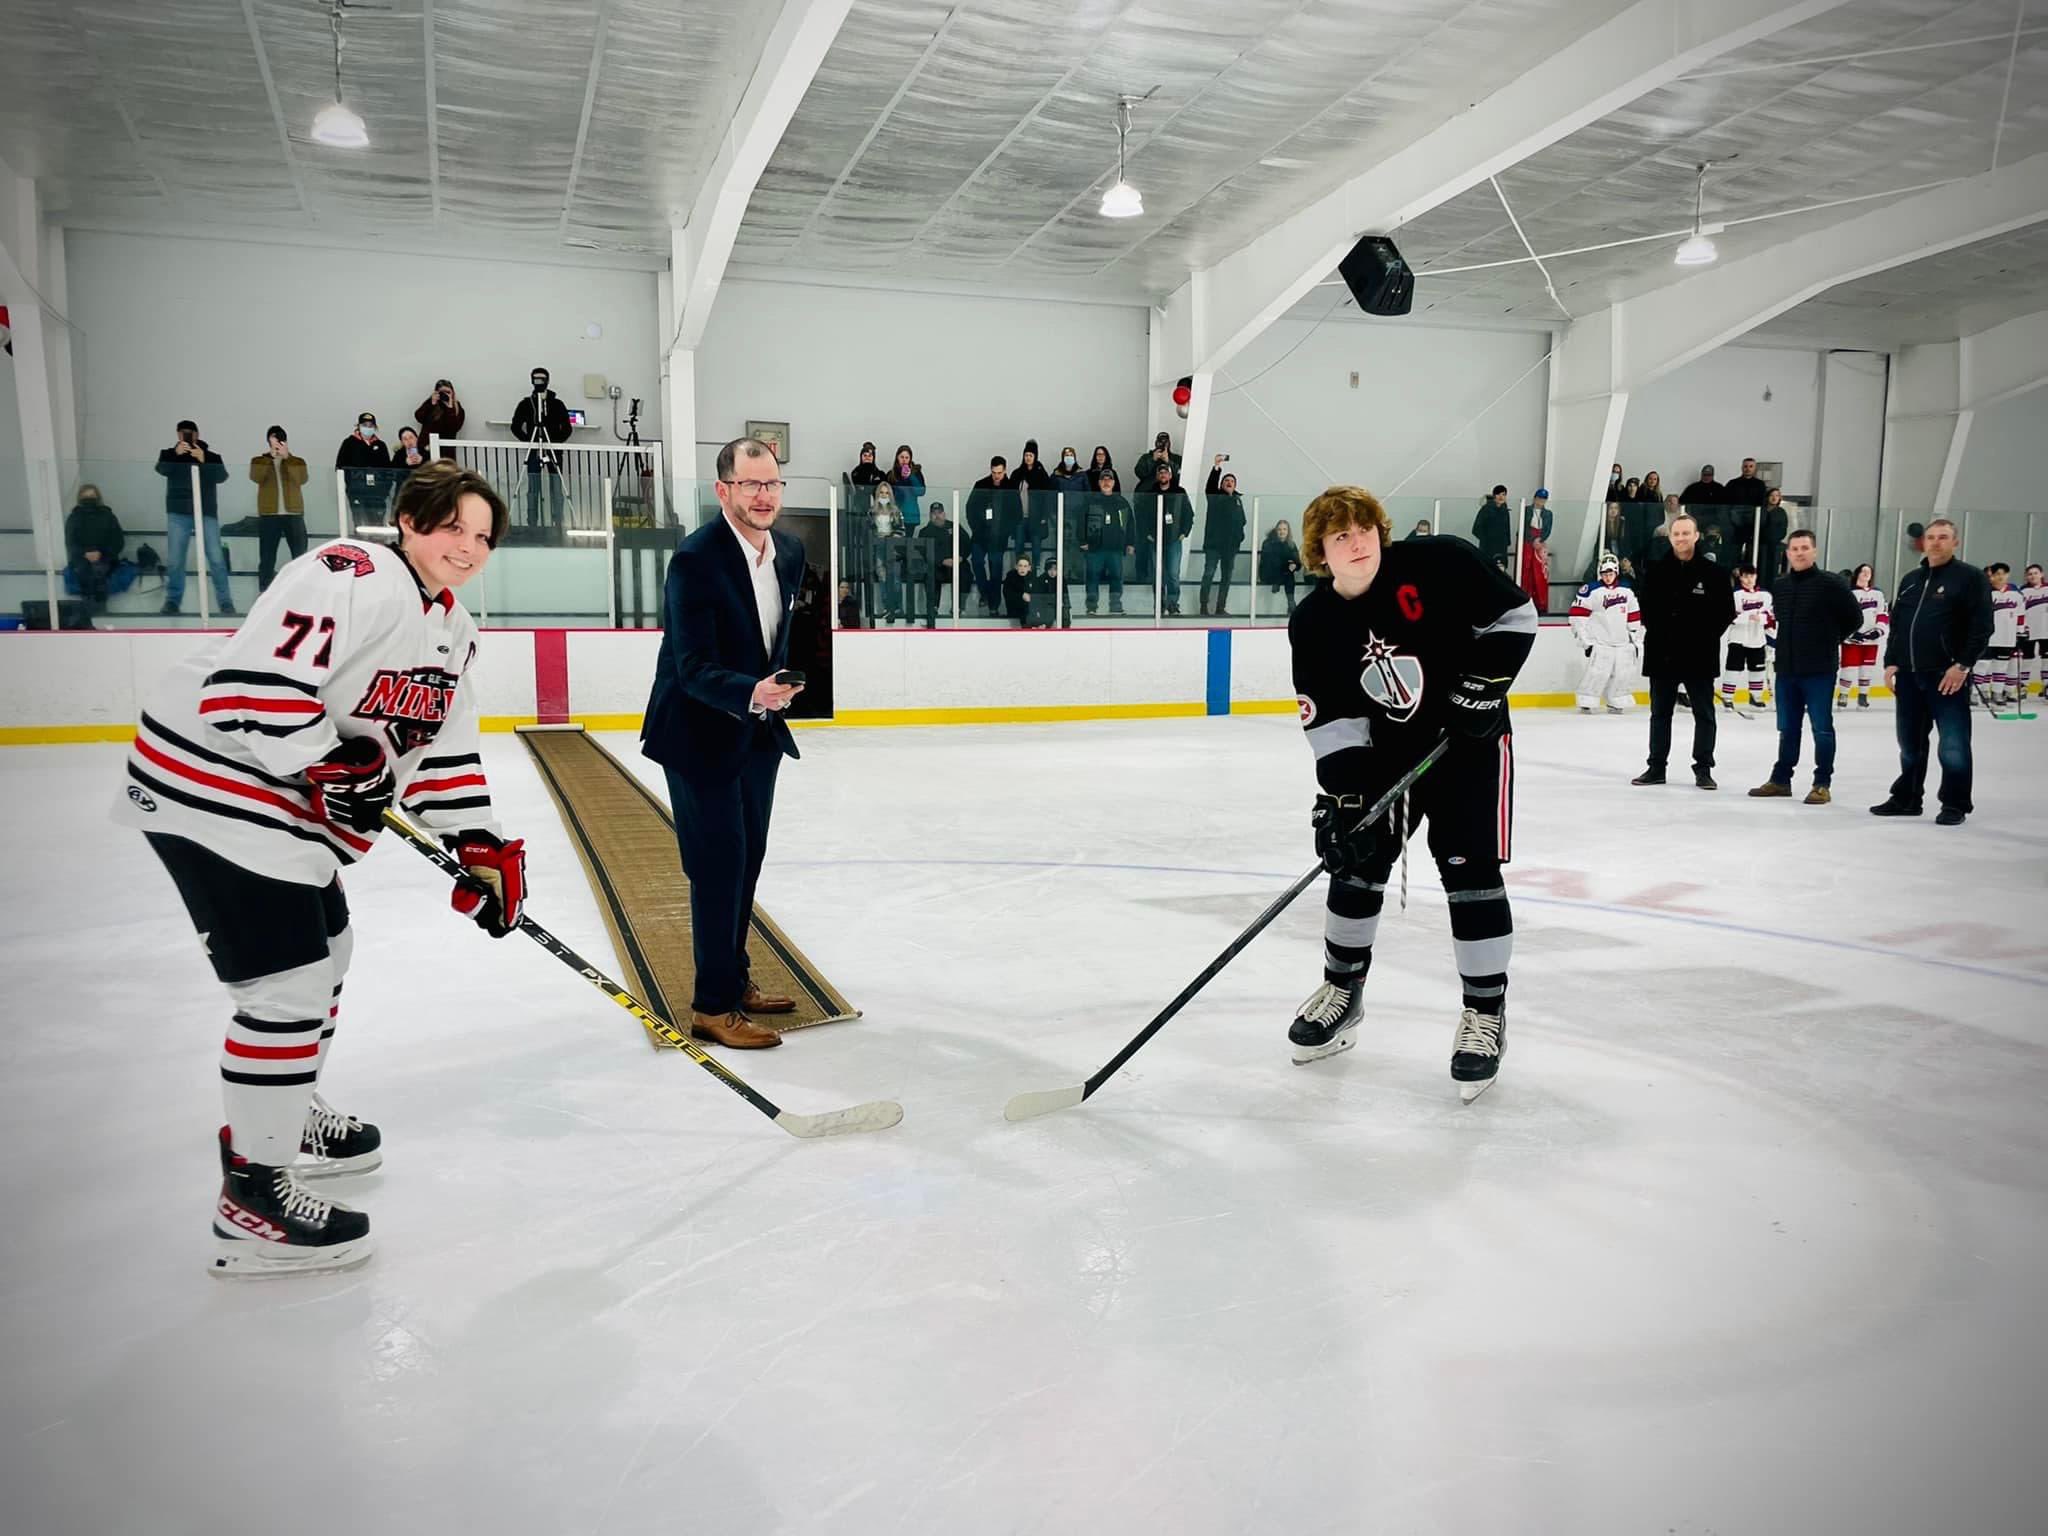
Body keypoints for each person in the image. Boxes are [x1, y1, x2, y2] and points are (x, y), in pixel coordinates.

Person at [113, 460, 518, 1276]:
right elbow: (252, 687)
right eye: (453, 528)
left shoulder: (454, 630)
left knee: (329, 953)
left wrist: (477, 842)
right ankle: (252, 1198)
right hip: (213, 789)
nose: (469, 548)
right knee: (287, 986)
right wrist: (329, 762)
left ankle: (285, 1113)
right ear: (408, 518)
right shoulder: (350, 574)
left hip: (278, 809)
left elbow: (438, 751)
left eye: (483, 537)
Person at [1285, 489, 1536, 1102]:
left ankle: (1485, 1015)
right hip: (1387, 758)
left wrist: (1481, 689)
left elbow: (1515, 616)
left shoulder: (1440, 561)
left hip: (1469, 747)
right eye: (1341, 535)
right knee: (1358, 861)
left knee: (1470, 871)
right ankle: (1343, 991)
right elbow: (1333, 723)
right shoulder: (1314, 622)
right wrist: (1343, 801)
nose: (1358, 540)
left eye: (1365, 527)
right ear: (1321, 551)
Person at [639, 437, 807, 1048]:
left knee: (749, 857)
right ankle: (712, 1007)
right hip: (696, 731)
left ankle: (733, 979)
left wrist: (780, 688)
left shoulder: (788, 551)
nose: (764, 496)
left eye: (773, 485)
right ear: (724, 490)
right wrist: (751, 691)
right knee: (717, 866)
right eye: (751, 485)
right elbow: (691, 665)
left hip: (757, 732)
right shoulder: (696, 559)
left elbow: (777, 638)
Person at [1873, 518, 1993, 825]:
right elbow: (1898, 625)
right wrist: (1891, 661)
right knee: (1910, 743)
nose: (1936, 542)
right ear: (1923, 542)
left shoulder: (1969, 578)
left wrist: (1962, 665)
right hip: (1910, 675)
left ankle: (1954, 804)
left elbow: (1981, 628)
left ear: (1956, 542)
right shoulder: (1911, 579)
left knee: (1952, 743)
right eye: (1931, 537)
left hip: (1947, 675)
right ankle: (1907, 798)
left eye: (1943, 537)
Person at [1747, 531, 1861, 804]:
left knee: (1821, 727)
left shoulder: (1831, 583)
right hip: (1787, 668)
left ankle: (1822, 783)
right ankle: (1781, 780)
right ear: (1787, 553)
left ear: (1815, 551)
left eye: (1804, 548)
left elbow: (1854, 618)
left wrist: (1830, 638)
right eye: (1794, 548)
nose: (1799, 553)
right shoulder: (1781, 585)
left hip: (1819, 669)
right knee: (1787, 727)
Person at [1633, 512, 1735, 790]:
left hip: (1699, 655)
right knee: (1660, 714)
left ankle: (1703, 769)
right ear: (1670, 537)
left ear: (1696, 535)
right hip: (1662, 654)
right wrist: (1661, 634)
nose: (1681, 538)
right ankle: (1656, 767)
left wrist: (1703, 636)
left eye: (1686, 533)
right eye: (1676, 534)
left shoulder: (1714, 573)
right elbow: (1647, 609)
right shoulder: (1655, 570)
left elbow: (1726, 611)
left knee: (1704, 714)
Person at [157, 418, 235, 616]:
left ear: (198, 435)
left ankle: (225, 602)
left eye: (191, 433)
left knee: (216, 558)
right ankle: (172, 601)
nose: (188, 436)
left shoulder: (211, 456)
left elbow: (222, 477)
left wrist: (204, 460)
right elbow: (161, 469)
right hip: (178, 512)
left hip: (206, 511)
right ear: (178, 435)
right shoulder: (168, 454)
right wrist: (175, 454)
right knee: (175, 559)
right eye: (183, 433)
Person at [1569, 553, 1641, 713]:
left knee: (1623, 673)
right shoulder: (1591, 590)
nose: (1607, 577)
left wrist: (1635, 640)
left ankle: (1617, 700)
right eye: (1604, 574)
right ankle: (1587, 700)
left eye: (1610, 573)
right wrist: (1585, 641)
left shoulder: (1627, 590)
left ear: (1616, 572)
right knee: (1597, 672)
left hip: (1622, 641)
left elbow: (1634, 615)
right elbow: (1577, 616)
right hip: (1601, 641)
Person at [248, 426, 310, 592]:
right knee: (267, 556)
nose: (276, 443)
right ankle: (264, 590)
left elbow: (302, 479)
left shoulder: (297, 461)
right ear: (268, 441)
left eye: (280, 439)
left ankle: (302, 587)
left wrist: (287, 457)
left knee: (300, 554)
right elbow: (256, 477)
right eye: (273, 439)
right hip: (269, 515)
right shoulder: (259, 461)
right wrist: (271, 458)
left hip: (294, 514)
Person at [510, 366, 573, 528]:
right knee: (533, 487)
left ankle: (558, 522)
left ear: (547, 380)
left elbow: (567, 428)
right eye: (536, 378)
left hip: (554, 450)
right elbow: (515, 426)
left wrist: (554, 443)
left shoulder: (557, 404)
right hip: (533, 450)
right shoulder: (526, 404)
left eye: (542, 379)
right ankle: (532, 523)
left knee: (556, 487)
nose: (539, 382)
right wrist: (529, 441)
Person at [1137, 458, 1194, 615]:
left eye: (1165, 472)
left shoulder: (1179, 492)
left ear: (1170, 475)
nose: (1163, 475)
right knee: (1157, 573)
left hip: (1174, 540)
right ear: (1157, 476)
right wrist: (1147, 534)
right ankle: (1159, 604)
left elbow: (1188, 514)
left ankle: (1173, 604)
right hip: (1155, 539)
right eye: (1160, 472)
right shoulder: (1150, 493)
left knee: (1173, 573)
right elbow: (1141, 516)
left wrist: (1184, 533)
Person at [64, 484, 132, 609]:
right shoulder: (74, 518)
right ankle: (91, 606)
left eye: (92, 496)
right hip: (81, 558)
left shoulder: (108, 516)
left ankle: (97, 606)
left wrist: (101, 553)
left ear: (98, 497)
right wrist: (85, 553)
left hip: (105, 556)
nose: (89, 499)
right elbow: (70, 542)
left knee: (99, 570)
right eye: (86, 496)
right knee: (85, 570)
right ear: (80, 498)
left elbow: (118, 541)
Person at [1720, 564, 1773, 712]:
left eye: (1752, 576)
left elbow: (1771, 617)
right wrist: (1747, 617)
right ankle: (1728, 697)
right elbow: (1728, 615)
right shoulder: (1735, 595)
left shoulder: (1766, 595)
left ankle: (1755, 697)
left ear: (1756, 576)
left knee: (1757, 670)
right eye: (1746, 576)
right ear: (1741, 577)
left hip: (1757, 639)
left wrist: (1762, 618)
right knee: (1733, 668)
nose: (1749, 579)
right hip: (1738, 638)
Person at [965, 456, 1014, 615]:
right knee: (977, 561)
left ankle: (994, 604)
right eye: (994, 472)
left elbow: (1016, 513)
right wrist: (976, 528)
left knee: (996, 571)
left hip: (999, 538)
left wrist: (1006, 531)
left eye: (999, 472)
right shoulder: (981, 485)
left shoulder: (1010, 487)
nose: (996, 476)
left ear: (1005, 470)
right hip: (980, 535)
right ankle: (984, 593)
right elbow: (970, 508)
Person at [1837, 563, 1888, 709]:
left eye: (1869, 572)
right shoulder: (1850, 593)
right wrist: (1852, 632)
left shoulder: (1878, 594)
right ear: (1857, 574)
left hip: (1872, 640)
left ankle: (1863, 696)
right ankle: (1844, 694)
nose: (1866, 574)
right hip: (1852, 639)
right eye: (1863, 571)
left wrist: (1878, 631)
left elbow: (1882, 614)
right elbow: (1844, 615)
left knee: (1867, 668)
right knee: (1849, 668)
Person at [1081, 469, 1132, 616]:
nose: (1106, 482)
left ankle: (1115, 606)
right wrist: (1083, 540)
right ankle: (1091, 607)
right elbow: (1081, 521)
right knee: (1092, 576)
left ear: (1114, 483)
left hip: (1115, 548)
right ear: (1099, 483)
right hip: (1094, 548)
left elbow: (1130, 524)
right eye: (1103, 479)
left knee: (1116, 576)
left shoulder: (1122, 502)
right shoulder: (1090, 501)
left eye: (1109, 480)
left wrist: (1130, 543)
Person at [1199, 456, 1246, 617]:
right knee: (1209, 574)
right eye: (1226, 480)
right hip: (1213, 545)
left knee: (1226, 577)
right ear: (1221, 484)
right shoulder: (1215, 497)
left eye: (1232, 481)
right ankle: (1203, 606)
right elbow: (1210, 485)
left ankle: (1220, 607)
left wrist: (1239, 539)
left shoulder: (1238, 501)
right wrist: (1217, 466)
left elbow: (1242, 523)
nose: (1229, 482)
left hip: (1230, 547)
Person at [335, 411, 391, 530]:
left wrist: (384, 491)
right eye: (365, 425)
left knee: (377, 527)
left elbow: (388, 470)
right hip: (357, 493)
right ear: (359, 426)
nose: (368, 428)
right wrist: (351, 487)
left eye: (371, 426)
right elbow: (340, 467)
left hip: (377, 495)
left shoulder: (381, 445)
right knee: (360, 525)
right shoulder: (349, 443)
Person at [1977, 562, 2023, 707]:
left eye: (2003, 574)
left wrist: (2021, 632)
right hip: (1988, 637)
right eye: (1996, 574)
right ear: (1991, 576)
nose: (2000, 577)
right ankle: (1978, 692)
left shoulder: (2016, 595)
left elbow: (2021, 615)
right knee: (1982, 664)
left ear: (2007, 575)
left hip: (2007, 638)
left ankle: (1997, 692)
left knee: (2001, 666)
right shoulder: (1985, 593)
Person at [1012, 440, 1053, 571]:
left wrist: (1044, 517)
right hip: (1019, 517)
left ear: (1035, 457)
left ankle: (1035, 569)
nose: (1028, 458)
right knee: (1018, 545)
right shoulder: (1018, 473)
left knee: (1036, 546)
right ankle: (1019, 569)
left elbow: (1047, 497)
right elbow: (1010, 496)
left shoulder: (1041, 474)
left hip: (1036, 518)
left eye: (1031, 455)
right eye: (1026, 455)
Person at [916, 502, 955, 627]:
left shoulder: (954, 527)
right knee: (931, 574)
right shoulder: (924, 531)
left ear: (944, 514)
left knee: (965, 572)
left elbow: (965, 544)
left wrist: (959, 558)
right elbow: (923, 552)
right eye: (934, 513)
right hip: (936, 565)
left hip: (955, 564)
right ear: (930, 515)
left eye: (939, 513)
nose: (937, 516)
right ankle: (933, 607)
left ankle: (959, 607)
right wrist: (941, 560)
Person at [414, 378, 466, 458]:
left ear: (453, 393)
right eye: (442, 392)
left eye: (448, 392)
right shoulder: (432, 403)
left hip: (446, 451)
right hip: (427, 448)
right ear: (437, 392)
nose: (445, 395)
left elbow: (454, 428)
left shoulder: (457, 408)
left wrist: (450, 408)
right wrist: (431, 403)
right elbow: (418, 417)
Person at [1519, 488, 1552, 613]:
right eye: (1539, 498)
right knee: (1526, 569)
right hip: (1527, 541)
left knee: (1540, 573)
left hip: (1540, 542)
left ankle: (1541, 603)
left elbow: (1548, 529)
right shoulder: (1527, 510)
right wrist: (1532, 539)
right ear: (1534, 498)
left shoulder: (1548, 514)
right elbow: (1523, 527)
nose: (1541, 501)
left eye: (1543, 499)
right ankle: (1524, 599)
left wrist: (1540, 539)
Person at [1258, 519, 1301, 613]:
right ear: (1276, 531)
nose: (1282, 532)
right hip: (1269, 574)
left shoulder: (1291, 544)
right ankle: (1291, 604)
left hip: (1284, 574)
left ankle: (1291, 603)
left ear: (1288, 531)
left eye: (1284, 529)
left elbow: (1298, 562)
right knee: (1287, 573)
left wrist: (1294, 565)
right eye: (1280, 529)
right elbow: (1270, 563)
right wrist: (1288, 564)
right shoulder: (1268, 543)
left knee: (1289, 574)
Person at [2020, 563, 2048, 698]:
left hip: (2046, 630)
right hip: (2029, 630)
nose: (2033, 576)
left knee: (2046, 658)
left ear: (2041, 574)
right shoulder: (2022, 592)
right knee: (2027, 658)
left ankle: (2046, 685)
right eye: (2030, 574)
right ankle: (2023, 686)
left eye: (2035, 573)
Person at [1472, 484, 1512, 571]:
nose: (1501, 497)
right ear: (1494, 496)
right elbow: (1476, 529)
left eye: (1504, 494)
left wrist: (1507, 542)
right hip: (1488, 548)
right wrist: (1487, 539)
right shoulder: (1486, 509)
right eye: (1498, 494)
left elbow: (1507, 529)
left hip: (1502, 548)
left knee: (1501, 572)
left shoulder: (1505, 511)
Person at [888, 444, 925, 527]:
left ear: (910, 459)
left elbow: (921, 492)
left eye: (906, 458)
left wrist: (910, 477)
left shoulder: (916, 473)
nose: (904, 460)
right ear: (897, 458)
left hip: (911, 515)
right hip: (895, 515)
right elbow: (890, 495)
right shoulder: (891, 474)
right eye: (902, 457)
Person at [1003, 554, 1037, 627]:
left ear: (1029, 568)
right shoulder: (1010, 577)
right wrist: (1021, 595)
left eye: (1025, 566)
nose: (1022, 568)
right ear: (1016, 567)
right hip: (1014, 610)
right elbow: (1007, 594)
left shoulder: (1033, 578)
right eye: (1020, 565)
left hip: (1029, 613)